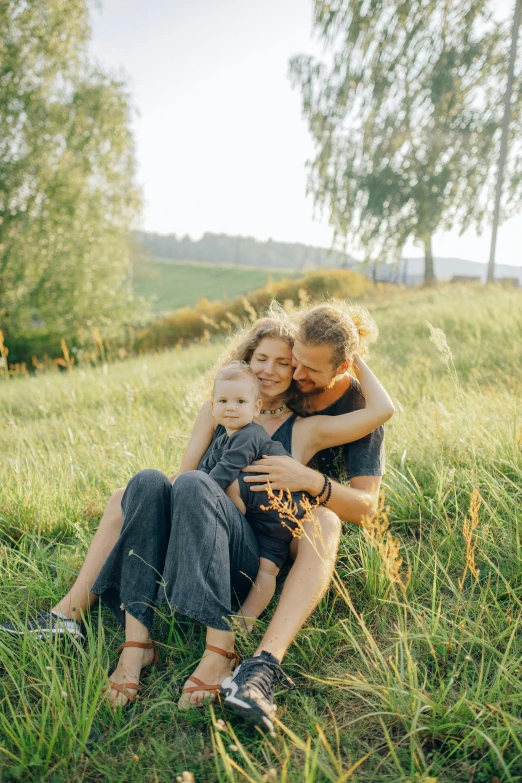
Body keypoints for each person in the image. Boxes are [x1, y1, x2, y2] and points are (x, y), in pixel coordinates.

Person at [2, 301, 392, 731]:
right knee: (145, 483)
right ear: (244, 362)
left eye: (289, 363)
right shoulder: (219, 410)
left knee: (203, 491)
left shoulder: (303, 426)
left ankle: (236, 651)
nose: (279, 370)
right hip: (200, 525)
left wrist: (307, 475)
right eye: (263, 359)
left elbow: (376, 433)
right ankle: (104, 630)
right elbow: (185, 473)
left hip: (253, 546)